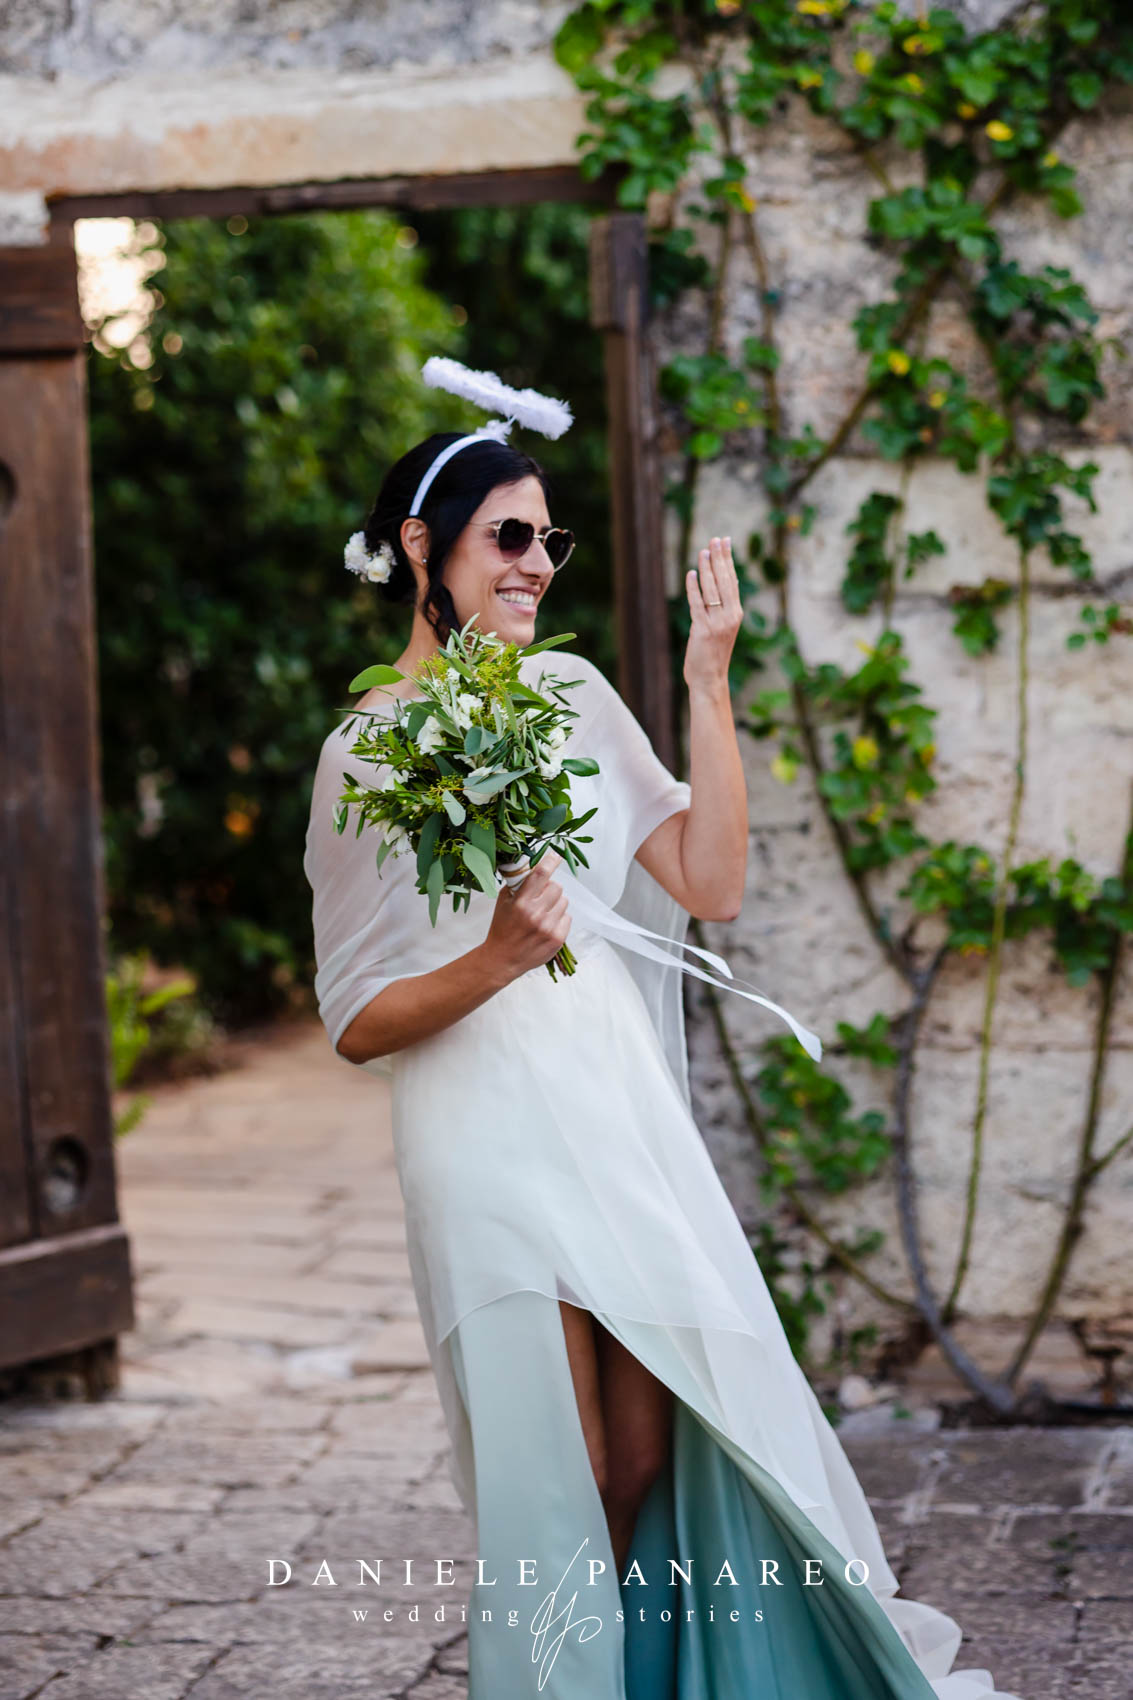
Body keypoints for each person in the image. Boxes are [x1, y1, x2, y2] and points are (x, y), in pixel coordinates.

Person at [303, 427, 1022, 1700]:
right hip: (478, 1131)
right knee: (561, 1469)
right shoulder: (364, 752)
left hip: (611, 1110)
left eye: (549, 539)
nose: (536, 562)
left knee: (645, 1452)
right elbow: (355, 1014)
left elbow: (710, 878)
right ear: (420, 544)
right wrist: (497, 959)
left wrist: (707, 680)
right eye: (508, 534)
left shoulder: (573, 695)